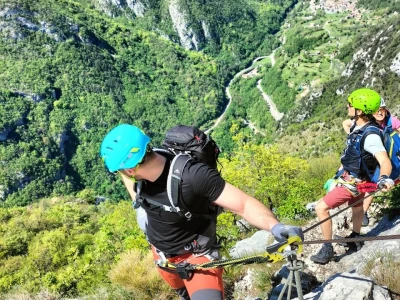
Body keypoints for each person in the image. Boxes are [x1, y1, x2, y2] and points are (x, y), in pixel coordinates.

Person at [100, 124, 304, 300]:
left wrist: (275, 226)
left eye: (121, 170)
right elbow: (132, 187)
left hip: (196, 259)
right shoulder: (138, 175)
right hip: (161, 255)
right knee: (182, 293)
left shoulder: (193, 176)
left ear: (129, 169)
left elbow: (243, 204)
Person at [310, 88, 395, 265]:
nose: (347, 105)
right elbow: (348, 125)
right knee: (357, 208)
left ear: (360, 111)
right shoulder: (359, 124)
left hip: (352, 183)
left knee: (321, 208)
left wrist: (385, 177)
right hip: (359, 181)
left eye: (351, 104)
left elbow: (384, 161)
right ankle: (355, 238)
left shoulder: (371, 136)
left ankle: (327, 248)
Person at [342, 98, 400, 226]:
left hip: (386, 158)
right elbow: (345, 123)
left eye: (382, 110)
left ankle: (362, 214)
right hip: (371, 159)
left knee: (374, 185)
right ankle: (362, 215)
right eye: (377, 110)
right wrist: (355, 140)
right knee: (369, 184)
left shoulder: (391, 121)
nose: (380, 113)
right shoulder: (366, 123)